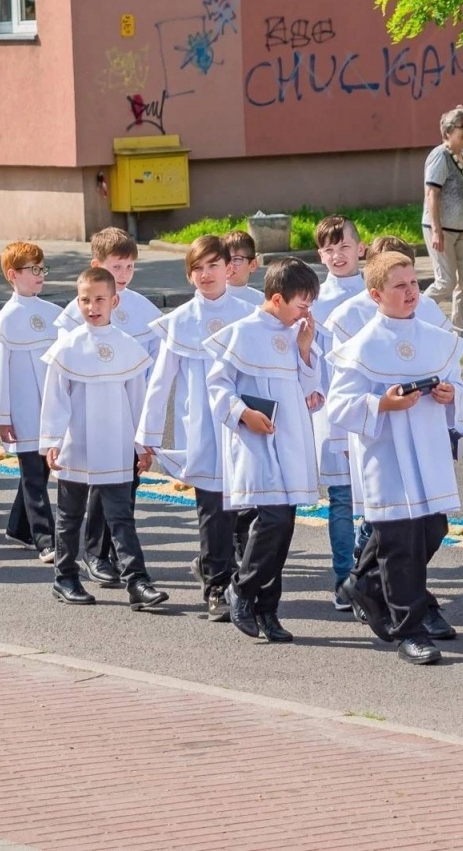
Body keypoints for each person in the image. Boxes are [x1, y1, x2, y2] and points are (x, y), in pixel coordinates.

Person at [329, 251, 463, 665]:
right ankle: (408, 629)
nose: (411, 292)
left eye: (414, 284)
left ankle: (366, 584)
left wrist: (452, 396)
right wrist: (382, 405)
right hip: (386, 455)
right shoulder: (362, 346)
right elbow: (339, 406)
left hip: (427, 449)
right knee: (398, 542)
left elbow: (460, 387)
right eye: (400, 286)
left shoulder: (436, 338)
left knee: (432, 529)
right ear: (376, 294)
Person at [137, 235, 257, 621]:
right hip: (202, 427)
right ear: (189, 275)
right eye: (198, 268)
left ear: (229, 268)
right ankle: (217, 587)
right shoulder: (180, 322)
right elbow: (160, 383)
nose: (207, 274)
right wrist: (147, 437)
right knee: (212, 508)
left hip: (246, 423)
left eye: (213, 265)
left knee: (251, 507)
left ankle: (225, 569)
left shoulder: (250, 313)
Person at [208, 258, 324, 643]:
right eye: (301, 305)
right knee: (271, 520)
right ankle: (241, 589)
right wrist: (243, 414)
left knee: (284, 526)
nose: (306, 313)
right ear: (277, 298)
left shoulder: (298, 333)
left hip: (290, 437)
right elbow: (218, 387)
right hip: (257, 438)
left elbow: (311, 389)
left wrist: (306, 350)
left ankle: (267, 609)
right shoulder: (241, 333)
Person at [40, 266, 167, 611]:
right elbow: (55, 398)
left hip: (115, 444)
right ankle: (65, 578)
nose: (92, 307)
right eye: (85, 300)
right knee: (69, 516)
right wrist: (51, 441)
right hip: (75, 445)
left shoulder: (127, 347)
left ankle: (137, 582)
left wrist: (142, 445)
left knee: (121, 517)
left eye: (99, 299)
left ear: (114, 301)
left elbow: (138, 400)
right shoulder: (67, 347)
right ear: (77, 302)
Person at [0, 241, 63, 560]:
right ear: (12, 274)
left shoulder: (54, 314)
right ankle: (44, 538)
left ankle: (18, 526)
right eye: (32, 269)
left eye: (41, 268)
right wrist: (1, 417)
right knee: (33, 473)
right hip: (22, 408)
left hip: (49, 406)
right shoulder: (5, 320)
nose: (39, 275)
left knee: (41, 471)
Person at [309, 215, 366, 610]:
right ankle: (345, 578)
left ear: (360, 248)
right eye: (329, 248)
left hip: (379, 409)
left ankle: (371, 573)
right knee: (343, 498)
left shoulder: (377, 291)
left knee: (380, 500)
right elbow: (308, 357)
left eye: (344, 245)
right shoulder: (315, 300)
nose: (337, 254)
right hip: (334, 409)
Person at [424, 105, 463, 340]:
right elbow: (432, 193)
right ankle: (412, 312)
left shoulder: (462, 155)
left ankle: (461, 335)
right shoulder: (440, 156)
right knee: (446, 282)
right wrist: (436, 230)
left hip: (461, 228)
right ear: (448, 130)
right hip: (441, 230)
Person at [222, 229, 264, 305]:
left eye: (236, 259)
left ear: (253, 265)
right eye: (226, 259)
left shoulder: (261, 301)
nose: (229, 265)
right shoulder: (212, 299)